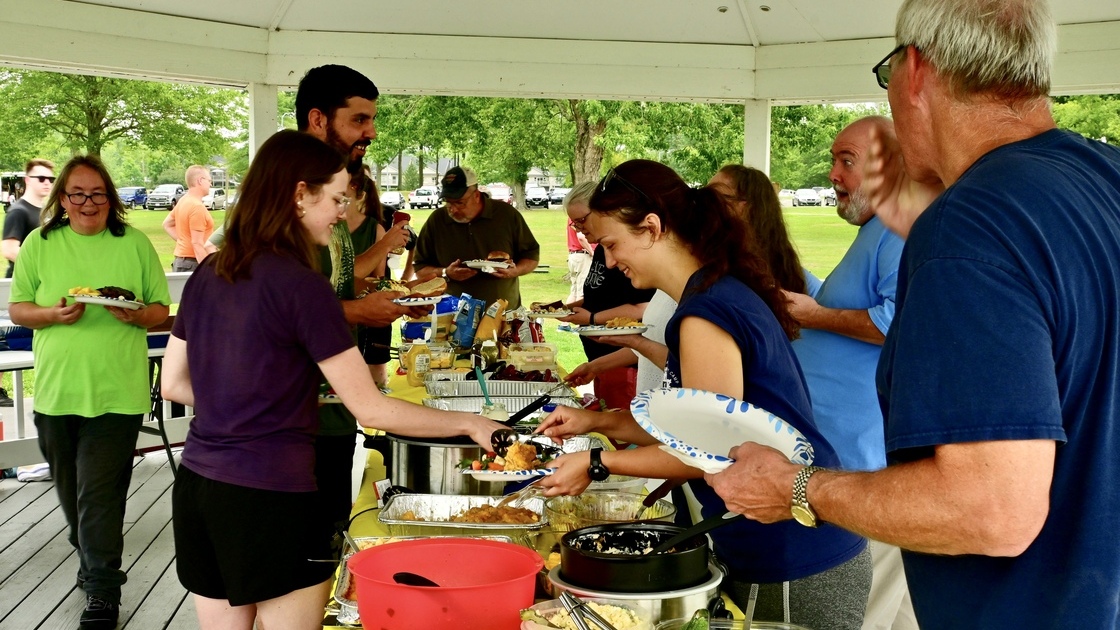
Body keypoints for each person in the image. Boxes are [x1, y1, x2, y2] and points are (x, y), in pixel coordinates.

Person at [706, 0, 1120, 627]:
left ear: (916, 70)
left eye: (887, 73)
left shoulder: (972, 221)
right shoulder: (1105, 178)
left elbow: (990, 510)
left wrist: (797, 487)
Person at [161, 130, 504, 630]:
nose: (342, 213)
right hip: (272, 494)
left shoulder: (210, 274)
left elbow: (174, 384)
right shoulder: (304, 287)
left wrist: (256, 400)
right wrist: (471, 423)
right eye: (338, 198)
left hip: (198, 489)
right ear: (300, 194)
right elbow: (371, 409)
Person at [537, 159, 871, 628]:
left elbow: (709, 453)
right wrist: (597, 422)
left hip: (792, 552)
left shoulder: (705, 313)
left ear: (651, 228)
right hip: (772, 541)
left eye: (612, 244)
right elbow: (690, 421)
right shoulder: (710, 294)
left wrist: (599, 463)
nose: (610, 261)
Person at [9, 155, 171, 630]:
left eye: (97, 194)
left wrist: (136, 314)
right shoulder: (41, 243)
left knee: (98, 496)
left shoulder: (135, 243)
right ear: (62, 198)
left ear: (111, 199)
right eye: (77, 193)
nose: (87, 203)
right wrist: (51, 315)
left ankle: (102, 591)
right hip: (58, 392)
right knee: (72, 494)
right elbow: (18, 309)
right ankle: (91, 554)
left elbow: (159, 309)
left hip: (117, 392)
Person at [779, 118, 913, 630]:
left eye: (847, 161)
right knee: (898, 609)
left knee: (866, 609)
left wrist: (815, 316)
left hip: (865, 456)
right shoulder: (880, 229)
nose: (833, 174)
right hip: (854, 451)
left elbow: (899, 320)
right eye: (834, 161)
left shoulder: (900, 229)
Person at [295, 64, 418, 559]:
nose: (370, 132)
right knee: (305, 555)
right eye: (360, 119)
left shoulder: (332, 200)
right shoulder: (292, 197)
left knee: (325, 538)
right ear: (319, 119)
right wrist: (357, 311)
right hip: (296, 420)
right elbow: (283, 307)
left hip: (334, 407)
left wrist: (370, 299)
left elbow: (331, 286)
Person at [558, 182, 654, 410]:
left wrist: (591, 319)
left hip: (623, 365)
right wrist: (569, 309)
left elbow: (642, 307)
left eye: (582, 220)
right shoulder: (602, 249)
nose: (579, 228)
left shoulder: (630, 257)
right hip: (604, 359)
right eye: (575, 224)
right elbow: (598, 294)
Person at [413, 166, 540, 308]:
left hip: (502, 317)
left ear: (476, 195)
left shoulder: (506, 215)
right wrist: (445, 272)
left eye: (459, 202)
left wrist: (515, 271)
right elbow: (420, 269)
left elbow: (531, 256)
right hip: (451, 317)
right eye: (448, 202)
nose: (452, 209)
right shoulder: (437, 220)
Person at [3, 158, 54, 279]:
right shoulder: (18, 212)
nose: (47, 182)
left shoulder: (47, 210)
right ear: (27, 180)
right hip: (21, 281)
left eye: (51, 179)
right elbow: (9, 251)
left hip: (43, 280)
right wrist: (43, 265)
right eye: (41, 179)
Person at [162, 165, 216, 272]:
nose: (210, 184)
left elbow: (167, 224)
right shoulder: (197, 207)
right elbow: (197, 244)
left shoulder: (183, 200)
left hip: (181, 262)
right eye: (209, 180)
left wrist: (184, 241)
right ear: (200, 180)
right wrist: (207, 271)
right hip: (193, 264)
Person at [564, 193, 594, 304]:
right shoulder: (580, 217)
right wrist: (592, 252)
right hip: (582, 255)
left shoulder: (572, 217)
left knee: (574, 291)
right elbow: (581, 237)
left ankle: (565, 321)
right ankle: (578, 320)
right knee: (582, 292)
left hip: (573, 255)